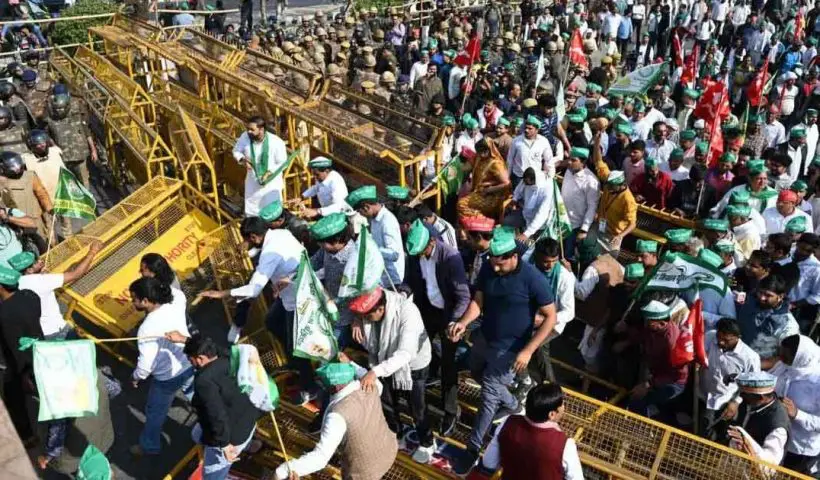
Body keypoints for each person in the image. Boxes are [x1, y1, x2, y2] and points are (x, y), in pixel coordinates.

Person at [447, 227, 556, 474]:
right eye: (492, 263)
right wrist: (463, 323)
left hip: (511, 346)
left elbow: (550, 317)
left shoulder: (533, 279)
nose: (495, 268)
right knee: (474, 370)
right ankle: (513, 402)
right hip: (486, 337)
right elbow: (478, 301)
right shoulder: (489, 267)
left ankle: (472, 448)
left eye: (500, 264)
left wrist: (528, 350)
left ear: (513, 256)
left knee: (488, 394)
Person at [198, 204, 314, 400]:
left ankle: (309, 386)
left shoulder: (268, 253)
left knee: (296, 345)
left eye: (248, 241)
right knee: (272, 322)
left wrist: (222, 293)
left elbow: (254, 289)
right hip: (292, 292)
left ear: (254, 237)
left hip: (297, 299)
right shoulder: (280, 233)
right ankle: (293, 361)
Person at [348, 285, 435, 463]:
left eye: (367, 316)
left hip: (413, 364)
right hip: (383, 357)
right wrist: (357, 319)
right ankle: (396, 433)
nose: (366, 320)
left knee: (417, 406)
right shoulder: (375, 306)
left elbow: (405, 353)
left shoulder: (407, 312)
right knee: (387, 401)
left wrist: (375, 372)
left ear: (381, 309)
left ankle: (427, 441)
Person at [274, 362, 398, 480]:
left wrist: (282, 471)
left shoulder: (337, 415)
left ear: (332, 387)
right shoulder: (371, 384)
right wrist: (351, 363)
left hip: (363, 473)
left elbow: (320, 458)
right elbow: (369, 375)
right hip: (390, 450)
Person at [403, 220, 469, 437]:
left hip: (448, 314)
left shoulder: (451, 258)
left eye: (424, 251)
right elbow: (409, 281)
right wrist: (403, 293)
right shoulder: (414, 253)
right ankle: (429, 373)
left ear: (432, 241)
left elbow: (463, 296)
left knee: (449, 365)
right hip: (426, 310)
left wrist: (455, 321)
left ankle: (450, 411)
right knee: (420, 349)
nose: (421, 255)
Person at [174, 334, 264, 480]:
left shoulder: (204, 380)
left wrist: (224, 445)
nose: (191, 363)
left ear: (201, 358)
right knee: (196, 434)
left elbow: (216, 414)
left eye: (191, 360)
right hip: (247, 420)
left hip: (230, 437)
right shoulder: (229, 358)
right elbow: (216, 348)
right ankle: (249, 446)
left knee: (213, 474)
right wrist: (185, 340)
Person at [129, 277, 193, 457]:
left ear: (146, 301)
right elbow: (176, 293)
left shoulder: (146, 328)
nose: (132, 302)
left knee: (155, 413)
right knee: (198, 397)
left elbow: (145, 366)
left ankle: (149, 446)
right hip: (188, 362)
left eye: (134, 298)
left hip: (166, 379)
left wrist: (135, 378)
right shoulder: (177, 300)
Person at [481, 382, 584, 480]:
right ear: (552, 414)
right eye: (562, 404)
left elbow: (488, 462)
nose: (564, 408)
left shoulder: (508, 422)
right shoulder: (566, 445)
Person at [9, 241, 101, 340]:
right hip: (57, 332)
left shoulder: (13, 283)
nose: (41, 262)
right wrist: (92, 251)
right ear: (29, 270)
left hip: (39, 333)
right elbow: (76, 274)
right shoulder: (41, 281)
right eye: (36, 262)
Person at [699, 318, 761, 442]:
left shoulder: (750, 358)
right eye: (719, 337)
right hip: (701, 393)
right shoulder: (711, 336)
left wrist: (736, 402)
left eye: (726, 340)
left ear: (738, 337)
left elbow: (751, 385)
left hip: (723, 401)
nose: (721, 342)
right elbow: (701, 351)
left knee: (709, 433)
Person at [0, 266, 41, 446]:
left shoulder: (4, 314)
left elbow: (10, 346)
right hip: (40, 351)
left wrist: (23, 374)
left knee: (15, 399)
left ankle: (28, 436)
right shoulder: (30, 296)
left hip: (16, 363)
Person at [529, 237, 576, 384]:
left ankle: (549, 384)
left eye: (554, 261)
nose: (550, 266)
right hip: (527, 315)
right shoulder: (527, 265)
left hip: (553, 322)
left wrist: (545, 319)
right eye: (546, 262)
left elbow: (569, 312)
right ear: (537, 257)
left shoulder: (564, 277)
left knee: (534, 344)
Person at [775, 335, 820, 475]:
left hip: (800, 451)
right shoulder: (786, 367)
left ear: (800, 359)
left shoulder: (817, 383)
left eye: (785, 357)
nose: (780, 359)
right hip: (778, 441)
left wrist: (797, 414)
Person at [726, 372, 790, 466]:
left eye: (745, 394)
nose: (742, 397)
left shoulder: (777, 427)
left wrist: (747, 444)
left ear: (760, 397)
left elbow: (769, 465)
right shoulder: (756, 404)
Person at [736, 274, 800, 367]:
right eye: (760, 293)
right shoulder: (749, 303)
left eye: (768, 295)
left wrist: (756, 366)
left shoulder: (787, 324)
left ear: (780, 296)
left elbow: (788, 356)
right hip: (736, 359)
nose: (762, 298)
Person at [346, 185, 405, 286]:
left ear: (366, 207)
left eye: (360, 212)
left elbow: (394, 254)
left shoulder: (387, 221)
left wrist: (370, 249)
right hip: (380, 276)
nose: (361, 215)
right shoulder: (374, 219)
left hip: (392, 280)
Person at [232, 116, 289, 216]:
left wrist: (269, 172)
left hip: (271, 185)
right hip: (253, 184)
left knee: (271, 214)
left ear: (261, 129)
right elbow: (236, 150)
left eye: (252, 129)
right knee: (253, 214)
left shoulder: (276, 142)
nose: (248, 132)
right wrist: (243, 160)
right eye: (247, 129)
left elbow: (282, 163)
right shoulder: (245, 137)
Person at [561, 146, 600, 262]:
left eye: (574, 160)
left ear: (583, 162)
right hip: (561, 221)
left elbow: (592, 206)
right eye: (569, 159)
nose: (569, 162)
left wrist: (584, 229)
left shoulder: (591, 181)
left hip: (575, 226)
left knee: (568, 257)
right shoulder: (568, 171)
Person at [456, 140, 512, 220]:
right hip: (479, 192)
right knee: (460, 201)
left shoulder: (496, 164)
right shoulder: (479, 158)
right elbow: (465, 168)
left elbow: (507, 183)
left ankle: (486, 221)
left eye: (483, 151)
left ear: (489, 150)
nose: (481, 154)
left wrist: (490, 189)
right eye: (479, 152)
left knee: (461, 204)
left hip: (491, 196)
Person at [595, 170, 637, 254]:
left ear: (621, 185)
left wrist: (620, 236)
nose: (608, 188)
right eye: (608, 185)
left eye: (611, 186)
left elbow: (632, 224)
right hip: (600, 227)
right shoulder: (609, 187)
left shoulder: (628, 200)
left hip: (613, 235)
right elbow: (600, 164)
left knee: (608, 258)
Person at [506, 115, 554, 187]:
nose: (526, 130)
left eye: (530, 128)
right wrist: (507, 177)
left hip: (535, 178)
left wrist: (550, 176)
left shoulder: (543, 141)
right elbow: (510, 160)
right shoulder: (516, 141)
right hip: (518, 178)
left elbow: (549, 160)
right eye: (526, 127)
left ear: (537, 130)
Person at [509, 167, 552, 242]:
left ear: (534, 181)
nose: (526, 185)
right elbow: (519, 189)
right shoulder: (527, 179)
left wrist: (526, 234)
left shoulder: (547, 189)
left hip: (540, 223)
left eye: (528, 183)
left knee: (536, 244)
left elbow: (542, 214)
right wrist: (514, 199)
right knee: (507, 221)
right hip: (525, 215)